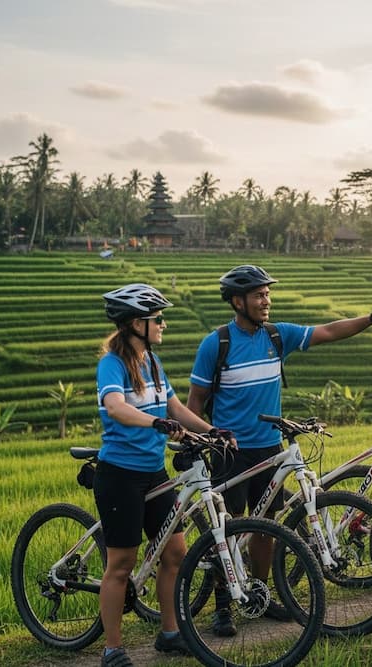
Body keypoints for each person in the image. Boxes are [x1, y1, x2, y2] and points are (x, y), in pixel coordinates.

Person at [187, 264, 372, 635]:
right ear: (238, 302)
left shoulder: (277, 336)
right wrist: (199, 441)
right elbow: (195, 400)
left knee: (266, 528)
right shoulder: (217, 343)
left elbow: (329, 331)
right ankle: (223, 605)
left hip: (269, 449)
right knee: (228, 529)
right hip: (229, 452)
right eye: (259, 295)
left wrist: (371, 319)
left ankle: (259, 595)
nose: (266, 300)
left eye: (267, 294)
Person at [95, 283, 233, 667]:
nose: (163, 324)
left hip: (154, 473)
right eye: (157, 319)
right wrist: (155, 422)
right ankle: (112, 650)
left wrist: (211, 430)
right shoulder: (112, 363)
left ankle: (170, 633)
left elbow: (175, 408)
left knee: (174, 554)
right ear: (135, 323)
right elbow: (116, 407)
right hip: (120, 475)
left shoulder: (152, 363)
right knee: (121, 565)